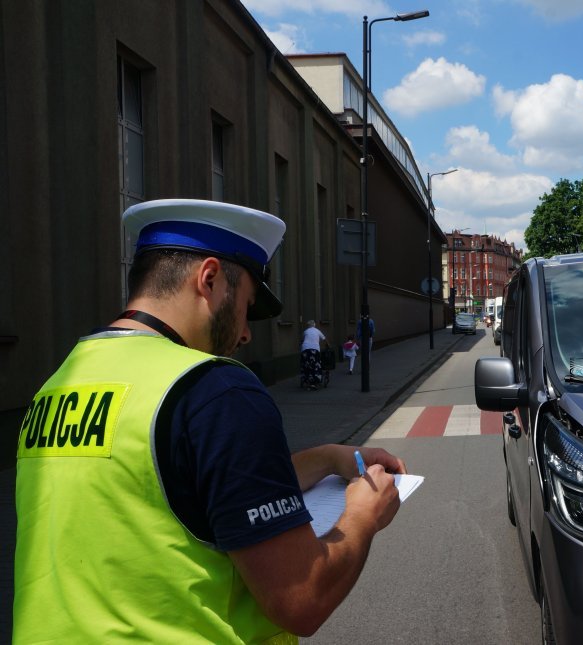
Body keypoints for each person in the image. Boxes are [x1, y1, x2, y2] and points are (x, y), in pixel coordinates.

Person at [14, 199, 405, 643]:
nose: (245, 332)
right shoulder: (216, 389)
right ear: (211, 279)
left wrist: (328, 458)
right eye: (245, 305)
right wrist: (362, 515)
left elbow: (178, 490)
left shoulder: (61, 382)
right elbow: (302, 598)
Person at [300, 320, 327, 390]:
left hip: (305, 349)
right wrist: (328, 346)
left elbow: (302, 340)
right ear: (314, 325)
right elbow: (324, 339)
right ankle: (314, 382)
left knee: (306, 364)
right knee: (315, 365)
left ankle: (306, 380)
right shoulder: (317, 331)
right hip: (315, 350)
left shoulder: (306, 331)